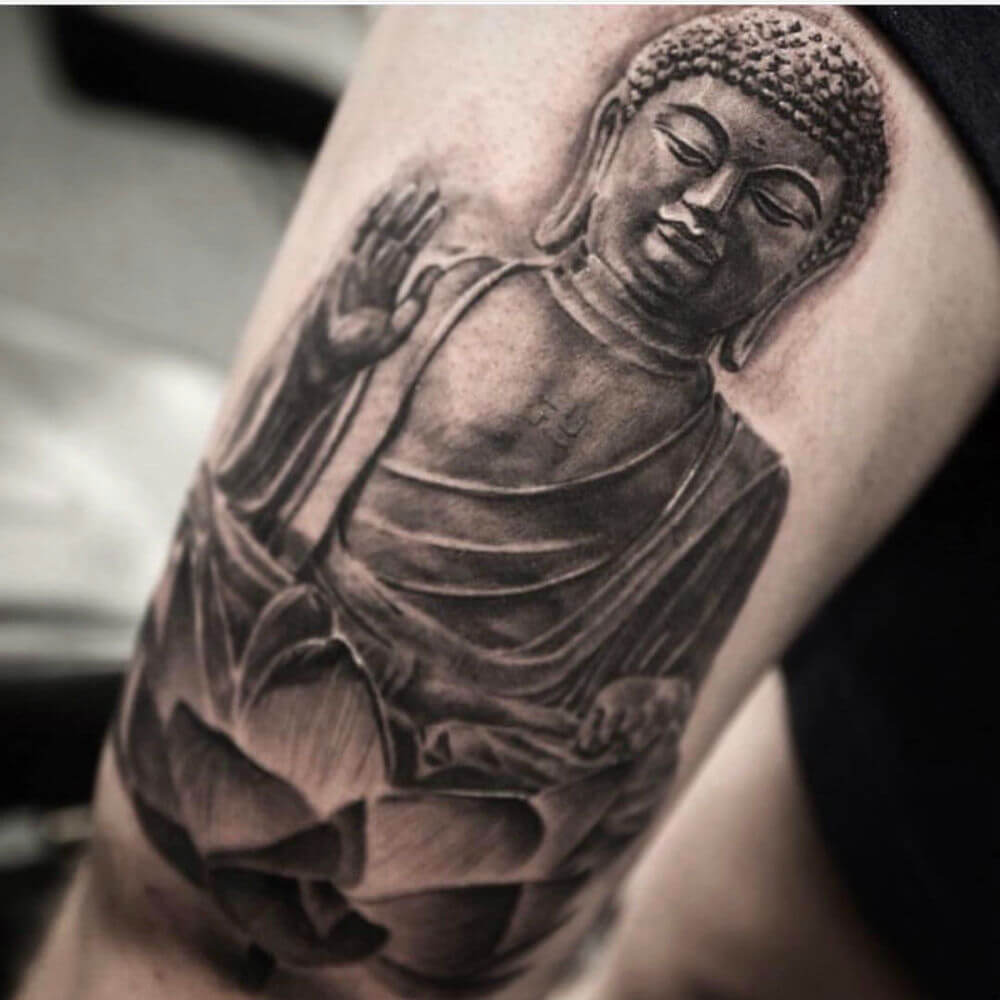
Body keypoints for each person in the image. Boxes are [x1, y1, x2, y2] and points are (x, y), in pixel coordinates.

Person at [16, 8, 1000, 1000]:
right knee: (228, 945)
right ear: (610, 134)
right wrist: (324, 371)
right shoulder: (441, 296)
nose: (707, 207)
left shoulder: (741, 481)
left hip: (519, 810)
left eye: (775, 205)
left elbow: (639, 709)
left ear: (811, 264)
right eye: (690, 147)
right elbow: (261, 522)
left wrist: (625, 720)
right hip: (283, 701)